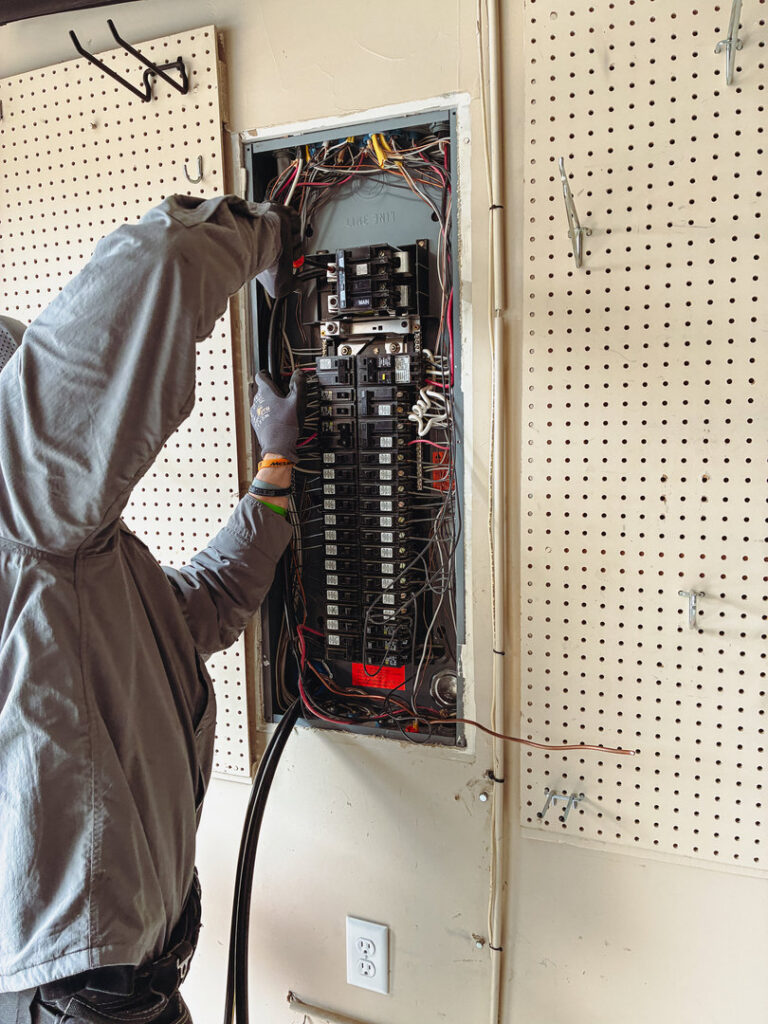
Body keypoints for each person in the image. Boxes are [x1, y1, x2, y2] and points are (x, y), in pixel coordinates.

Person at [0, 195, 305, 1024]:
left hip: (102, 989)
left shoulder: (60, 571)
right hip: (84, 1000)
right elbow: (161, 263)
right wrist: (273, 234)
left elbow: (190, 617)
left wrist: (273, 477)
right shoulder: (21, 500)